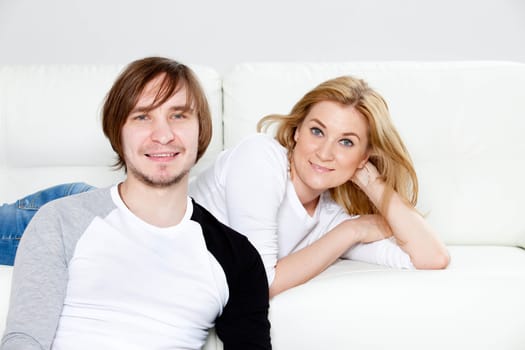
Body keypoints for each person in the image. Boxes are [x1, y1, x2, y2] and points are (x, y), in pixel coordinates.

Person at [1, 74, 450, 298]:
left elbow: (432, 258)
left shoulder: (330, 217)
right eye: (317, 131)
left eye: (346, 142)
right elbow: (258, 280)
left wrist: (370, 180)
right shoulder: (262, 160)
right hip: (92, 220)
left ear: (361, 155)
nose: (326, 152)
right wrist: (352, 232)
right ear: (296, 131)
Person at [1, 57, 271, 350]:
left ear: (200, 129)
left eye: (178, 116)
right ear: (118, 132)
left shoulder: (237, 258)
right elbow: (24, 340)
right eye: (142, 117)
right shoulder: (60, 220)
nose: (163, 135)